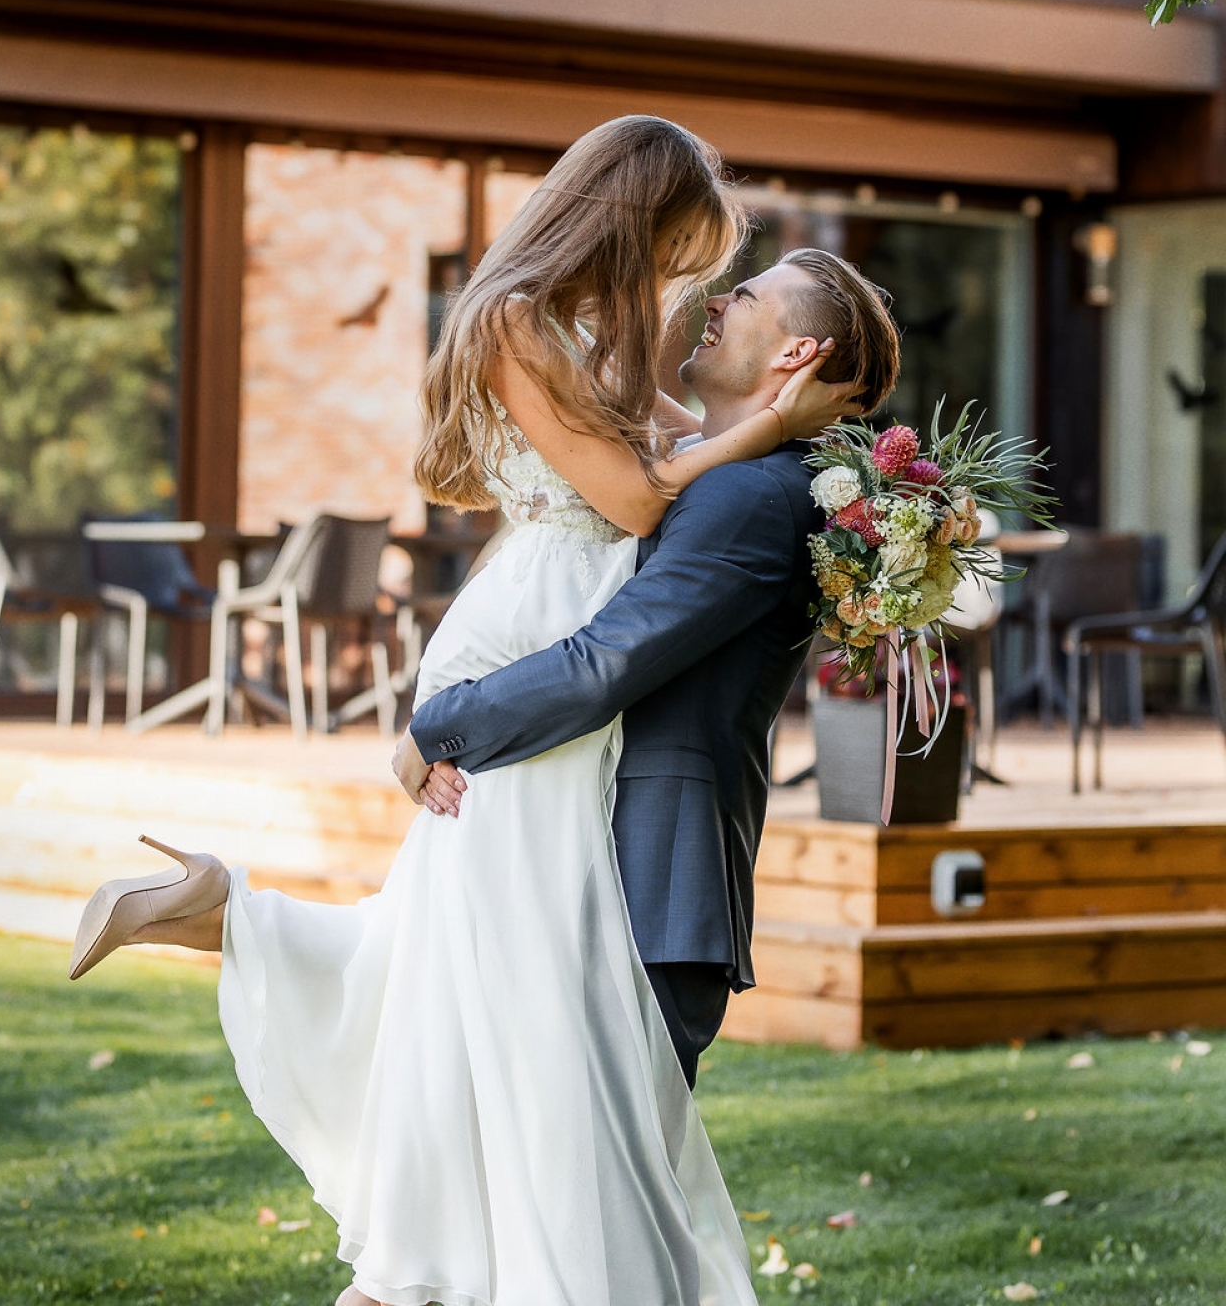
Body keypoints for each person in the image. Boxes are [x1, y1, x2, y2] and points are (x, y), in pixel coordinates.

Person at [67, 116, 859, 1306]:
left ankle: (230, 920)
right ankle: (462, 1247)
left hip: (563, 636)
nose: (696, 286)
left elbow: (655, 490)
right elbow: (640, 505)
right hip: (536, 630)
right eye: (689, 252)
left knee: (443, 966)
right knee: (508, 970)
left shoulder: (601, 336)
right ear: (631, 219)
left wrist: (795, 441)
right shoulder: (516, 325)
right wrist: (764, 427)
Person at [398, 246, 901, 1087]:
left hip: (648, 888)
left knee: (610, 1194)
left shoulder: (747, 497)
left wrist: (438, 723)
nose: (713, 303)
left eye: (743, 297)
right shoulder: (725, 471)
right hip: (601, 867)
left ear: (795, 355)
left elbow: (606, 664)